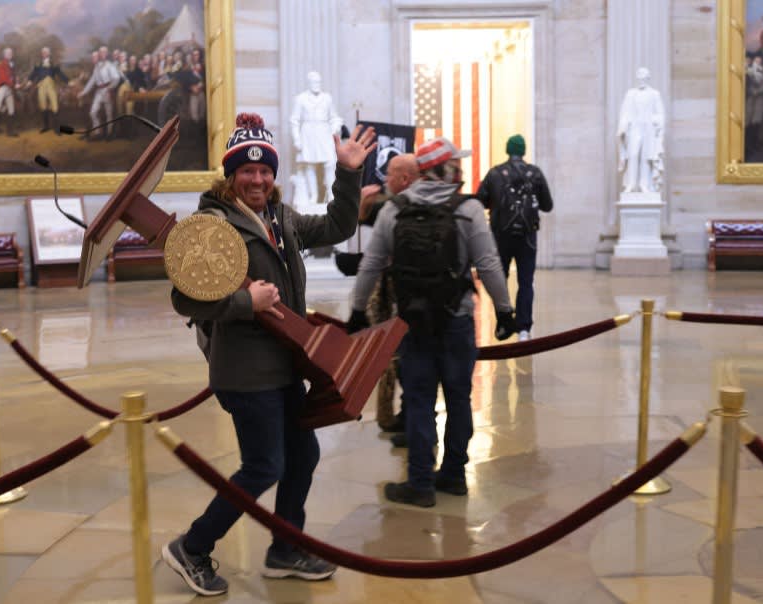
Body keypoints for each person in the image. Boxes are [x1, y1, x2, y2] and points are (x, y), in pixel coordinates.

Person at [162, 113, 376, 596]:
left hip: (284, 364)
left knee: (302, 453)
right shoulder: (212, 224)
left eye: (264, 170)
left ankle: (285, 549)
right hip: (244, 369)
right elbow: (183, 299)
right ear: (230, 175)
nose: (257, 178)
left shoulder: (281, 218)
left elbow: (339, 225)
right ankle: (192, 548)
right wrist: (244, 302)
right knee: (264, 465)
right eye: (246, 170)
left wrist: (348, 173)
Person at [346, 137, 514, 508]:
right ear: (447, 169)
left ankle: (420, 482)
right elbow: (488, 264)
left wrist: (357, 310)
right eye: (457, 162)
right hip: (455, 319)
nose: (461, 167)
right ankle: (454, 475)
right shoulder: (467, 209)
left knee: (419, 399)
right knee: (458, 398)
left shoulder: (395, 210)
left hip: (413, 322)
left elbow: (371, 264)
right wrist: (504, 311)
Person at [357, 153, 419, 434]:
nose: (385, 177)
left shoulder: (402, 206)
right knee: (395, 356)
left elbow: (375, 259)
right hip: (393, 294)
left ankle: (406, 418)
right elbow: (361, 222)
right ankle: (396, 416)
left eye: (391, 172)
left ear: (405, 178)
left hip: (403, 298)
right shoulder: (389, 204)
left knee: (401, 359)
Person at [475, 135, 553, 342]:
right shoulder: (535, 173)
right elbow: (547, 205)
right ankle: (524, 328)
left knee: (499, 279)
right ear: (523, 151)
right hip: (527, 237)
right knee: (526, 282)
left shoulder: (494, 173)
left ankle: (504, 321)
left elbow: (479, 201)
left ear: (508, 150)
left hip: (501, 235)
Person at [290, 71, 344, 207]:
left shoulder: (327, 98)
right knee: (309, 165)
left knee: (329, 163)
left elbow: (334, 117)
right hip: (307, 133)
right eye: (314, 82)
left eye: (318, 82)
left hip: (324, 132)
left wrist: (335, 127)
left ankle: (331, 194)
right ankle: (313, 196)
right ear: (309, 83)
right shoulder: (300, 98)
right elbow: (294, 120)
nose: (316, 85)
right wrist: (297, 139)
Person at [617, 67, 665, 193]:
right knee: (633, 154)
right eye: (640, 76)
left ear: (648, 78)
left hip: (648, 127)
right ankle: (631, 184)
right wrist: (623, 126)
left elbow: (660, 113)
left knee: (645, 157)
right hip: (634, 128)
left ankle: (644, 184)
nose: (642, 78)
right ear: (637, 77)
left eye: (644, 76)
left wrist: (657, 122)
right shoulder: (631, 94)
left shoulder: (654, 94)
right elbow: (625, 112)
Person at [78, 46, 121, 140]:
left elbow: (117, 78)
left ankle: (109, 134)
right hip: (99, 92)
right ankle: (98, 132)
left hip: (108, 91)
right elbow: (92, 81)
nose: (103, 54)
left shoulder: (109, 65)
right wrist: (84, 92)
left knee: (109, 113)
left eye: (104, 52)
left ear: (106, 54)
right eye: (101, 52)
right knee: (93, 112)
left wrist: (110, 87)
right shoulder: (96, 67)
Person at [28, 47, 68, 134]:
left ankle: (57, 128)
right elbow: (33, 74)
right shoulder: (38, 64)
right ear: (41, 54)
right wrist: (29, 81)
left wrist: (67, 80)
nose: (44, 54)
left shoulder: (54, 64)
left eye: (46, 52)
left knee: (54, 106)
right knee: (43, 105)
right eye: (43, 52)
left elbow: (60, 73)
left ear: (49, 53)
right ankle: (46, 127)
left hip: (51, 86)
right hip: (41, 86)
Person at [0, 48, 18, 137]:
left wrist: (16, 82)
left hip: (9, 89)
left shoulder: (12, 64)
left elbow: (13, 76)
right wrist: (13, 85)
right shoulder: (0, 65)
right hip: (2, 88)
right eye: (8, 53)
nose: (10, 54)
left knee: (11, 110)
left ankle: (10, 132)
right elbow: (3, 78)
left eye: (11, 53)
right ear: (4, 55)